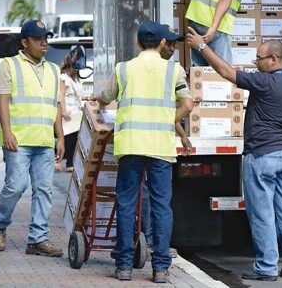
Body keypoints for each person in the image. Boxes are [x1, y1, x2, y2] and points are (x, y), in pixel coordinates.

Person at [186, 29, 282, 281]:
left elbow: (228, 73)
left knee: (261, 212)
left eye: (259, 59)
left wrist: (201, 48)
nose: (256, 63)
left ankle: (267, 267)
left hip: (262, 155)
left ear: (273, 59)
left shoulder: (266, 82)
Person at [94, 20, 193, 283]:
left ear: (137, 43)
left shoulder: (123, 69)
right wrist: (171, 119)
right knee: (161, 206)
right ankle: (160, 268)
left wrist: (97, 100)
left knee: (126, 204)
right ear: (162, 43)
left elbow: (105, 97)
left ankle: (124, 266)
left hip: (131, 145)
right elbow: (188, 103)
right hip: (160, 147)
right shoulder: (174, 70)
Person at [0, 19, 65, 258]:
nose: (44, 43)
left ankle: (38, 239)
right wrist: (8, 132)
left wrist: (60, 137)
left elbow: (56, 106)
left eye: (46, 39)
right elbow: (2, 100)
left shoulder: (54, 69)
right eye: (38, 39)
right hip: (18, 141)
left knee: (44, 190)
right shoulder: (9, 65)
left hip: (44, 141)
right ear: (25, 42)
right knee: (16, 185)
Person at [141, 36, 193, 254]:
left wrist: (181, 134)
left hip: (153, 142)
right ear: (160, 44)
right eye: (169, 45)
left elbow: (167, 111)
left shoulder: (169, 72)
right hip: (147, 143)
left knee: (155, 199)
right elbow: (182, 107)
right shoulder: (150, 70)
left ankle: (153, 244)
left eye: (175, 46)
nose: (172, 49)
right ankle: (150, 242)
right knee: (151, 198)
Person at [57, 45, 90, 172]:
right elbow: (61, 95)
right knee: (67, 139)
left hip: (76, 112)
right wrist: (63, 111)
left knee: (74, 139)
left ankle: (70, 163)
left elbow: (79, 95)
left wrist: (88, 98)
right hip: (68, 112)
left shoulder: (76, 78)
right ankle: (60, 161)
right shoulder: (64, 77)